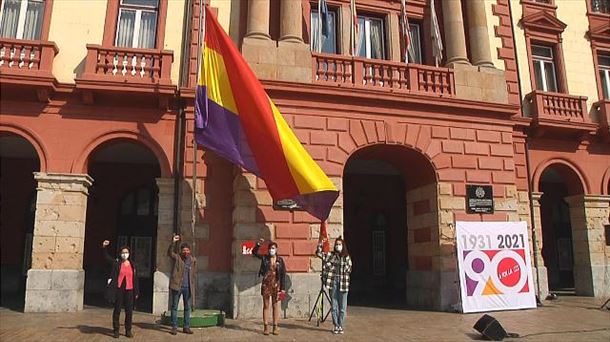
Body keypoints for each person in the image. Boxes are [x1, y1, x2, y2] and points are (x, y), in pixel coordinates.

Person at [102, 240, 139, 339]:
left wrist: (137, 291)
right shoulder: (117, 263)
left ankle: (128, 330)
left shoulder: (133, 265)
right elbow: (106, 258)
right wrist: (104, 247)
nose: (124, 254)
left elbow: (135, 279)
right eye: (123, 253)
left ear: (129, 254)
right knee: (117, 310)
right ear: (120, 254)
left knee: (129, 311)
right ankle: (116, 330)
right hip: (119, 289)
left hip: (130, 289)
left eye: (126, 252)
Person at [316, 237, 352, 334]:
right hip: (333, 281)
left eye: (339, 244)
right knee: (334, 305)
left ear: (343, 246)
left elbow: (349, 269)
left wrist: (341, 263)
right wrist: (320, 244)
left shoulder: (346, 256)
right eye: (336, 244)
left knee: (342, 306)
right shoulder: (331, 255)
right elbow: (319, 254)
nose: (338, 246)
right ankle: (336, 325)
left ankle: (341, 325)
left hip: (343, 282)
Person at [253, 239, 286, 336]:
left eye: (273, 248)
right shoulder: (265, 258)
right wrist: (258, 244)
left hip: (276, 285)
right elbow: (254, 253)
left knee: (275, 306)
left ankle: (275, 326)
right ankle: (266, 327)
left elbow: (283, 274)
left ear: (276, 249)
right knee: (266, 306)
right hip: (266, 284)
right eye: (270, 248)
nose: (272, 250)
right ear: (268, 250)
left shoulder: (280, 260)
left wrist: (283, 288)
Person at [168, 234, 197, 335]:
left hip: (188, 287)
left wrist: (192, 286)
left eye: (187, 250)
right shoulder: (177, 258)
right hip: (177, 286)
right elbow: (170, 253)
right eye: (184, 250)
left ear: (190, 251)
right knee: (174, 307)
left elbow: (193, 275)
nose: (186, 252)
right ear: (181, 251)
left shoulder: (193, 260)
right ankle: (174, 327)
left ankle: (186, 327)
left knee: (187, 307)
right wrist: (173, 242)